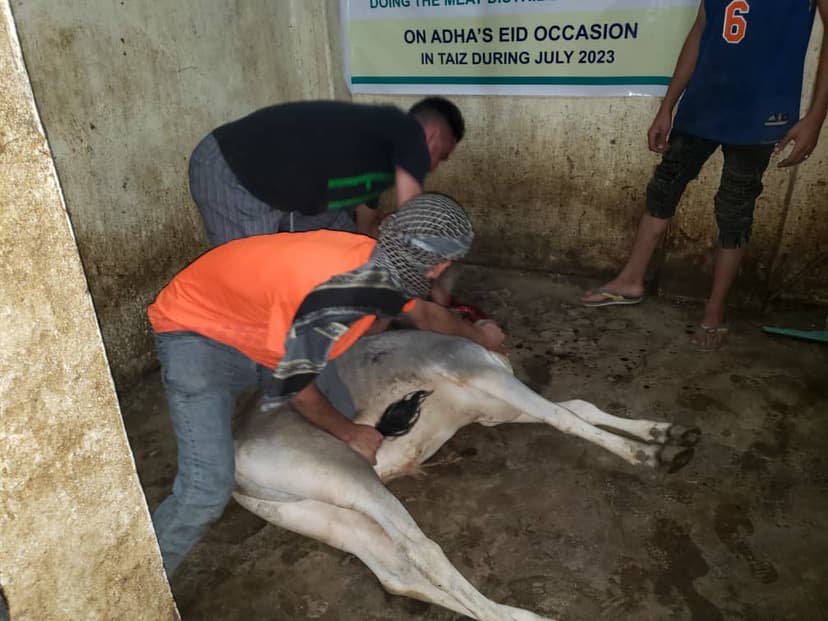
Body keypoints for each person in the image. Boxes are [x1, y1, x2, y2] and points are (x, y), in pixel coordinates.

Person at [147, 193, 505, 576]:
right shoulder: (342, 293)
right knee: (207, 487)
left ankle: (268, 374)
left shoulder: (381, 261)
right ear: (438, 265)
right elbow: (299, 385)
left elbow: (427, 315)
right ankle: (140, 587)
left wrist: (480, 337)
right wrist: (349, 433)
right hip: (196, 330)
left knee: (341, 411)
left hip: (255, 315)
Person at [580, 0, 828, 351]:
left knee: (735, 207)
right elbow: (701, 26)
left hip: (761, 109)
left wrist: (816, 118)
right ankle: (630, 279)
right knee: (665, 186)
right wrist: (668, 104)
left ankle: (715, 308)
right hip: (703, 102)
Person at [188, 97, 464, 245]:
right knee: (253, 281)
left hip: (286, 190)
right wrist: (431, 274)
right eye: (442, 155)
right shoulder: (398, 127)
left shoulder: (381, 166)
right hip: (233, 174)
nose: (434, 165)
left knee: (345, 246)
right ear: (430, 136)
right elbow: (414, 221)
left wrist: (374, 275)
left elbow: (364, 228)